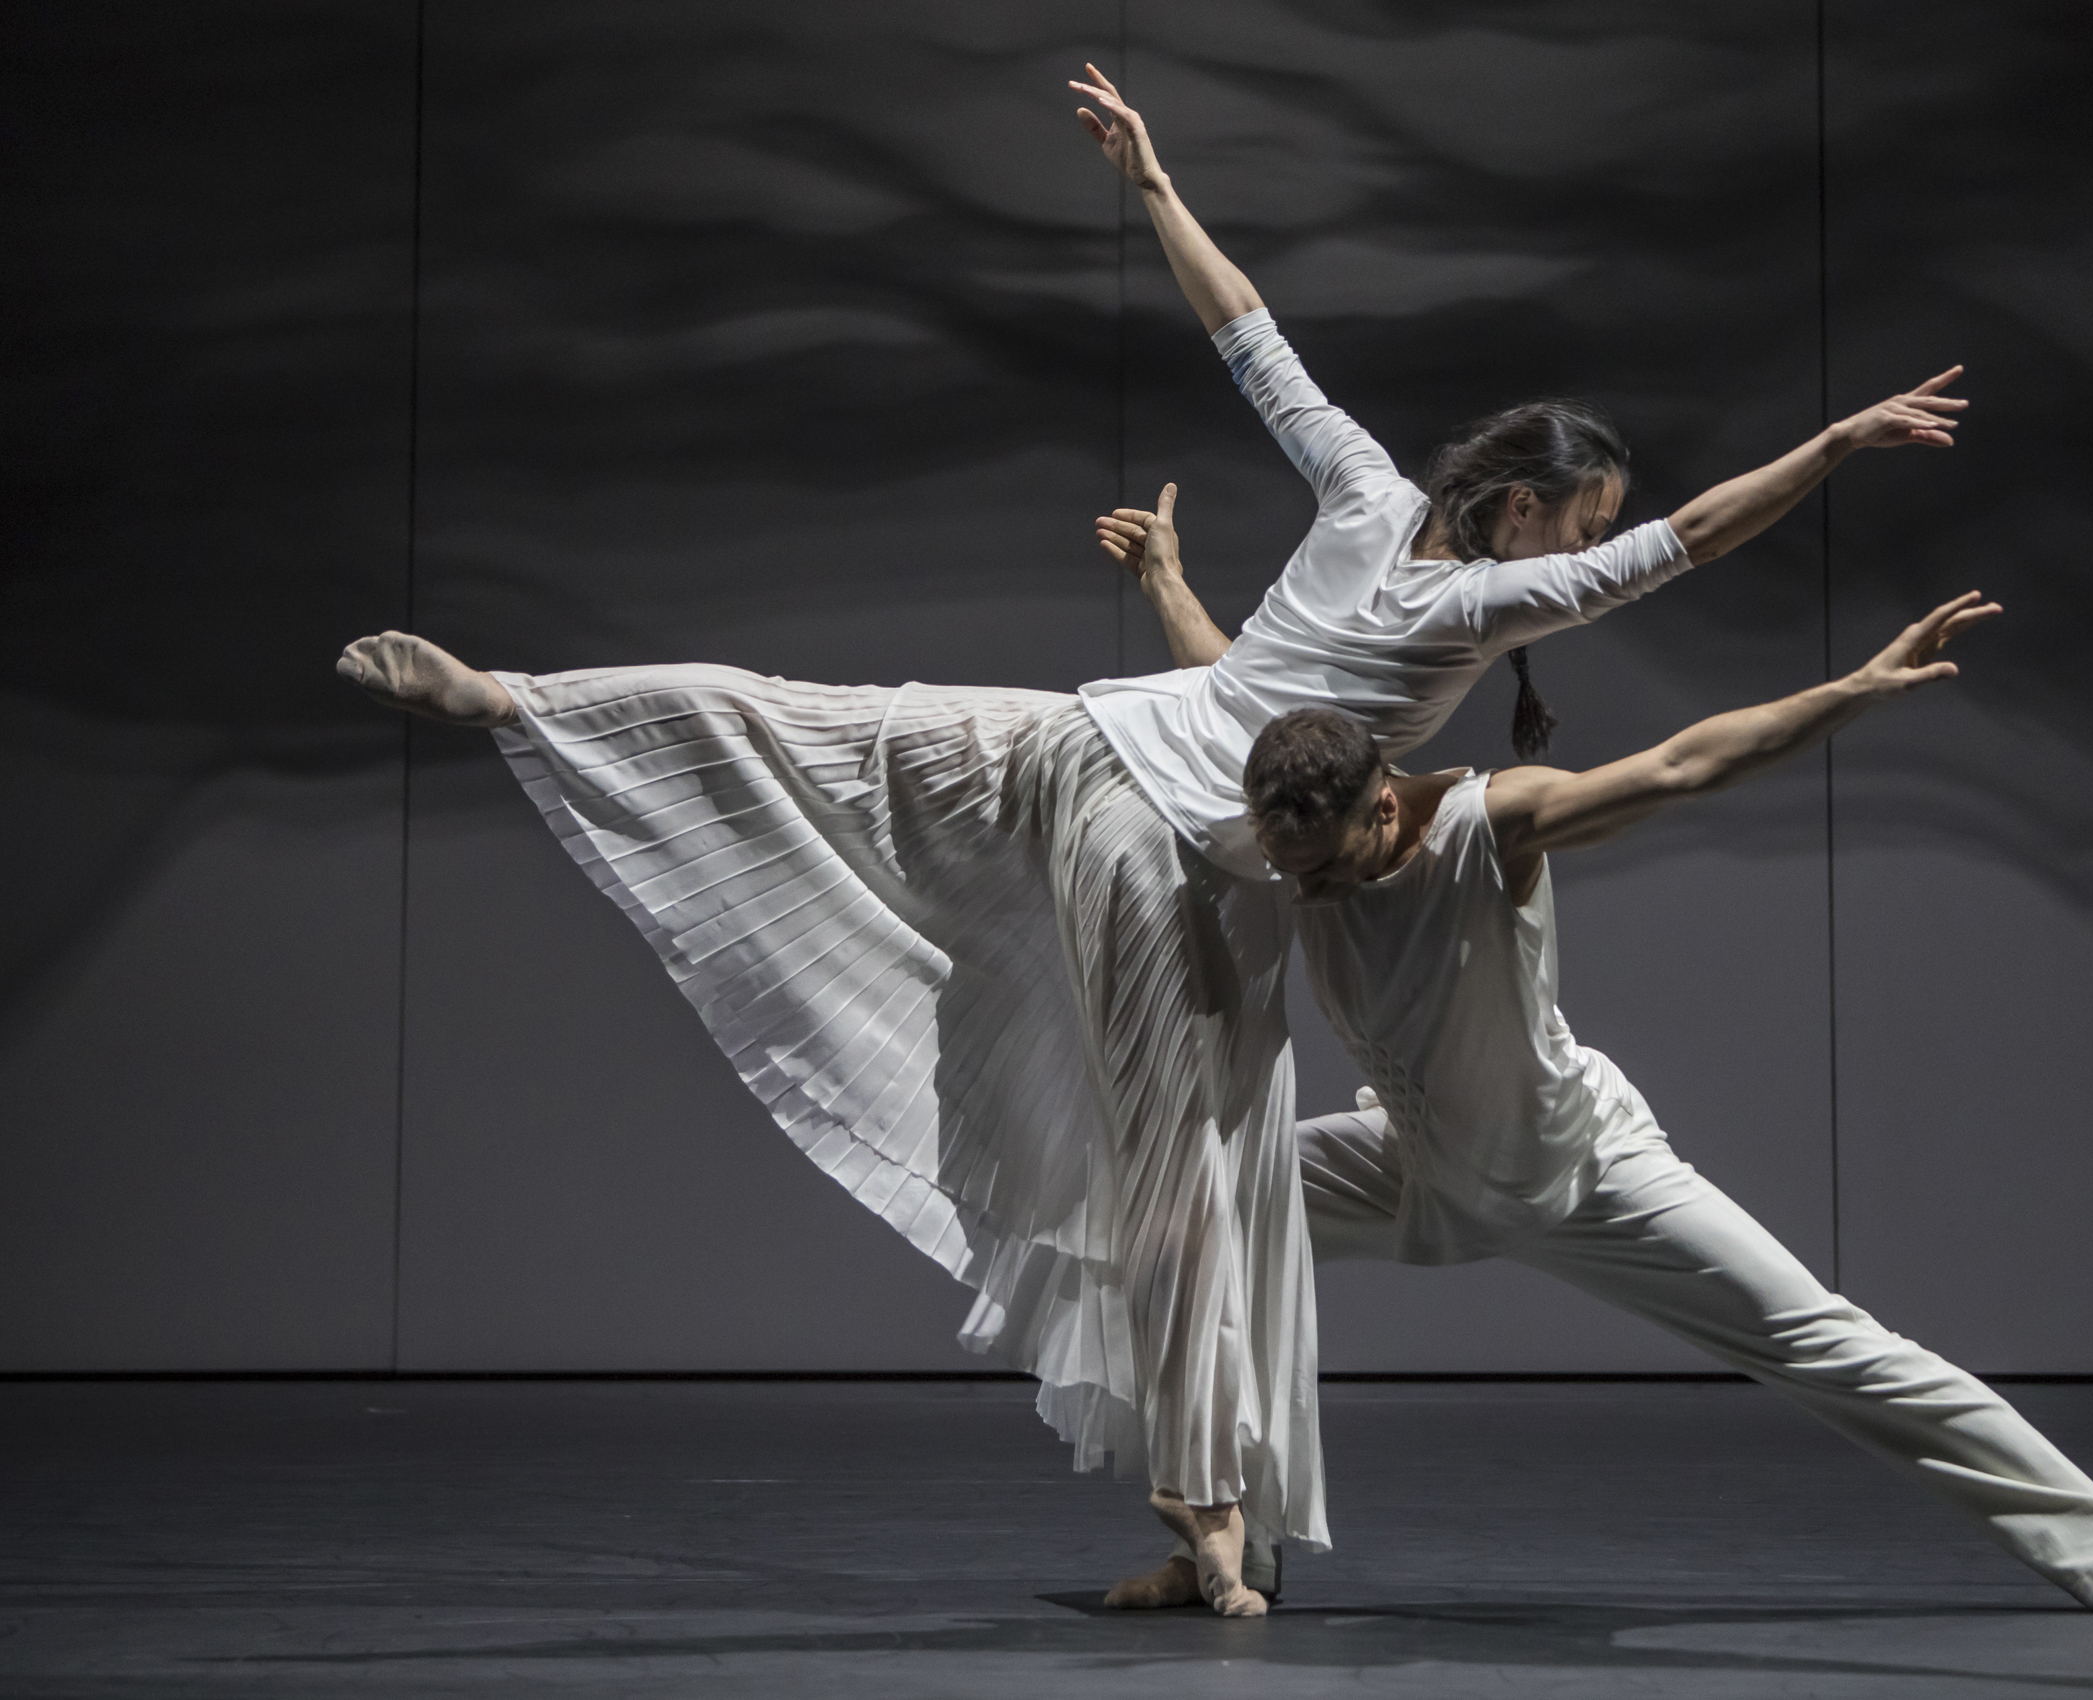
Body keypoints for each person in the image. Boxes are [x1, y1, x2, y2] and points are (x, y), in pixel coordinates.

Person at [334, 61, 1967, 1619]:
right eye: (1584, 525)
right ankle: (1211, 1519)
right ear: (1533, 512)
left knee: (815, 722)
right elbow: (1681, 549)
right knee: (1187, 1192)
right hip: (1176, 849)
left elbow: (1251, 340)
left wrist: (1159, 180)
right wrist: (1830, 449)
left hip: (1072, 738)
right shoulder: (1493, 594)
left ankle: (528, 702)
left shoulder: (1357, 491)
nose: (1591, 552)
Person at [1111, 500, 2093, 1618]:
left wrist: (1851, 692)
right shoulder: (1305, 807)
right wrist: (1165, 579)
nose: (1304, 892)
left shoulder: (1492, 825)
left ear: (1384, 803)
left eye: (1327, 869)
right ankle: (1226, 1539)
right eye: (1286, 867)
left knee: (1824, 1339)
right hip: (1414, 1157)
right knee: (1182, 1224)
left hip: (1579, 1170)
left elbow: (1684, 765)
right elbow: (1228, 687)